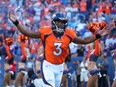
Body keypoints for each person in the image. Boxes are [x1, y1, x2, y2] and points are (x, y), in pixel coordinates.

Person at [8, 12, 110, 87]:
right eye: (58, 22)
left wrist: (97, 35)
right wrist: (16, 22)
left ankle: (36, 83)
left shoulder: (69, 34)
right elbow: (28, 33)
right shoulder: (46, 32)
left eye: (62, 22)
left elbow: (83, 40)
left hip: (60, 66)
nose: (60, 24)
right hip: (48, 65)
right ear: (53, 22)